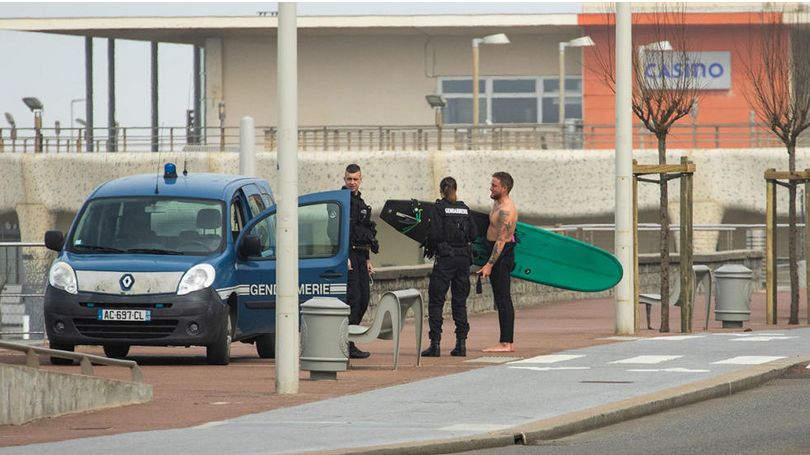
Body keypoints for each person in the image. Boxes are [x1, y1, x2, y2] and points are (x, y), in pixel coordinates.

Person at [421, 177, 478, 358]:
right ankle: (461, 345)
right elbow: (474, 234)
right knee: (459, 302)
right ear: (456, 189)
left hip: (446, 259)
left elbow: (434, 234)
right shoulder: (464, 209)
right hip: (463, 260)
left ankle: (435, 344)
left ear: (441, 190)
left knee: (437, 300)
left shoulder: (438, 208)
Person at [477, 171, 518, 353]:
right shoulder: (496, 203)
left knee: (503, 298)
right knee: (500, 297)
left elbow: (501, 240)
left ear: (504, 188)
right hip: (494, 251)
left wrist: (489, 264)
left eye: (494, 185)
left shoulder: (506, 210)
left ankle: (506, 343)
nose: (490, 187)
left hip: (502, 255)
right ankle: (505, 341)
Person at [342, 163, 379, 359]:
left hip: (360, 256)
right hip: (347, 257)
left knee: (364, 299)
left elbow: (363, 233)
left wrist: (367, 259)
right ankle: (348, 343)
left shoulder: (361, 203)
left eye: (355, 179)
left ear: (360, 180)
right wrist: (344, 256)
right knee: (354, 300)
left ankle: (350, 339)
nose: (352, 182)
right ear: (344, 179)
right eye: (349, 179)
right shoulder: (339, 201)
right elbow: (336, 233)